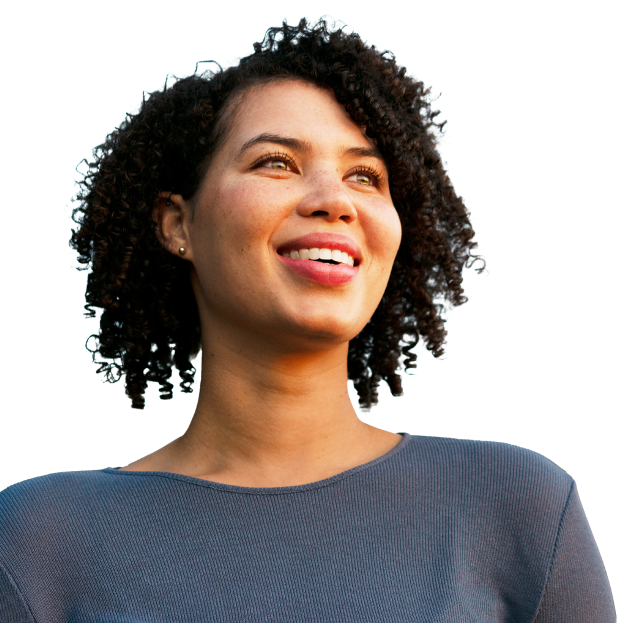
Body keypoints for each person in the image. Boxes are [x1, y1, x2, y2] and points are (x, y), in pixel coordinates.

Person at [1, 14, 614, 622]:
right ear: (177, 224)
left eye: (365, 176)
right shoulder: (39, 541)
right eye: (276, 162)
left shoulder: (517, 504)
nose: (335, 200)